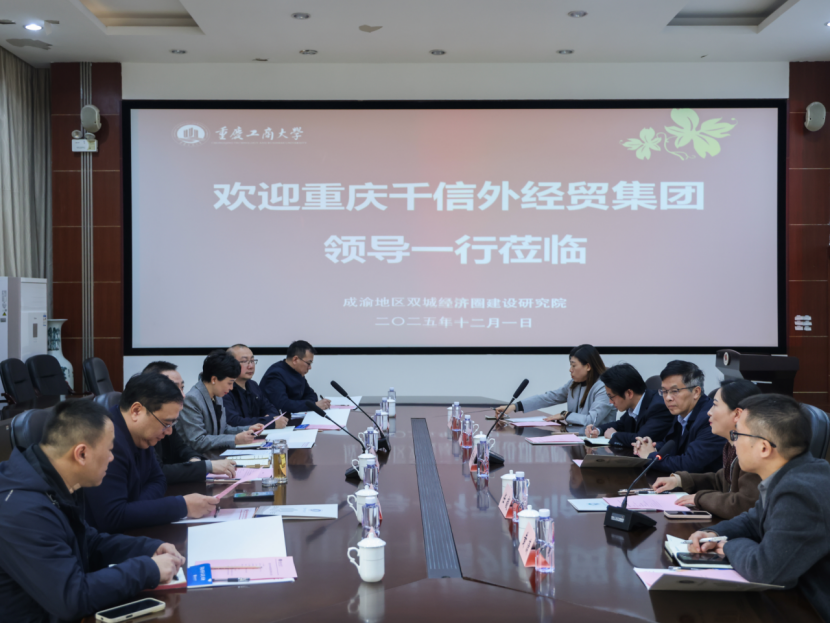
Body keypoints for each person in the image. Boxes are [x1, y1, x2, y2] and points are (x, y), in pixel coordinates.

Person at [0, 400, 186, 621]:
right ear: (81, 454)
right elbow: (72, 598)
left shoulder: (53, 481)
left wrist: (148, 548)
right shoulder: (22, 511)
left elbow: (89, 543)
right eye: (109, 449)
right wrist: (148, 569)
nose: (112, 458)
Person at [688, 395, 830, 622]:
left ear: (764, 448)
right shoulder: (795, 473)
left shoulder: (799, 492)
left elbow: (764, 569)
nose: (734, 442)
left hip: (811, 609)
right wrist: (714, 533)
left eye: (737, 434)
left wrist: (728, 545)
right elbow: (753, 518)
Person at [84, 374, 220, 533]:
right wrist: (182, 506)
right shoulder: (106, 441)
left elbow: (158, 479)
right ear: (136, 411)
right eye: (166, 423)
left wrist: (135, 507)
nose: (169, 432)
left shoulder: (141, 434)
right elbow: (112, 517)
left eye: (173, 424)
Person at [653, 379, 762, 519]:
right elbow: (720, 480)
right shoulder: (732, 445)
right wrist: (679, 480)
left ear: (737, 414)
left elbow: (743, 505)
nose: (709, 412)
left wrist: (699, 498)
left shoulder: (754, 451)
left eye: (715, 405)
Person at [142, 361, 237, 483]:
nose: (183, 395)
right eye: (173, 388)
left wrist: (194, 460)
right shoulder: (141, 427)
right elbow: (158, 472)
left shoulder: (166, 420)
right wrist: (205, 466)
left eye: (182, 388)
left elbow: (182, 447)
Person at [632, 360, 721, 474]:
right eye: (664, 391)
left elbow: (688, 464)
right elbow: (672, 445)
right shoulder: (682, 411)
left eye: (674, 391)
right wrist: (648, 446)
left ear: (696, 392)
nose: (668, 398)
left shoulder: (710, 418)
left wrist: (650, 456)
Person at [496, 344, 615, 427]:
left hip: (597, 445)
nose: (570, 369)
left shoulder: (604, 388)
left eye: (574, 365)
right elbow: (549, 397)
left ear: (588, 366)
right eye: (570, 365)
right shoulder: (573, 385)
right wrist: (514, 407)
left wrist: (565, 415)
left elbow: (591, 420)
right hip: (574, 438)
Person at [177, 352, 264, 453]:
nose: (231, 388)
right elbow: (198, 441)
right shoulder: (192, 399)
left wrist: (248, 429)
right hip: (197, 457)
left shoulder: (217, 395)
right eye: (230, 383)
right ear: (214, 379)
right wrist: (235, 439)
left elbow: (223, 429)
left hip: (214, 454)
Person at [584, 363, 673, 446]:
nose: (610, 402)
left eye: (611, 397)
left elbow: (641, 440)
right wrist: (598, 430)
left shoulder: (659, 407)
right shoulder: (635, 404)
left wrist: (614, 435)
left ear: (629, 393)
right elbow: (621, 425)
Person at [224, 344, 289, 428]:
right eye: (244, 361)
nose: (251, 366)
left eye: (252, 360)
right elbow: (233, 421)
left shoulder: (253, 385)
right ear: (230, 364)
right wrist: (267, 421)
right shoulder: (225, 389)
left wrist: (267, 419)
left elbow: (272, 410)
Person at [260, 340, 331, 415]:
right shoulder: (275, 375)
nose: (310, 367)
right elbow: (283, 405)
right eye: (308, 363)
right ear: (295, 360)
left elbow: (311, 394)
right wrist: (313, 405)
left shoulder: (297, 372)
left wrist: (306, 405)